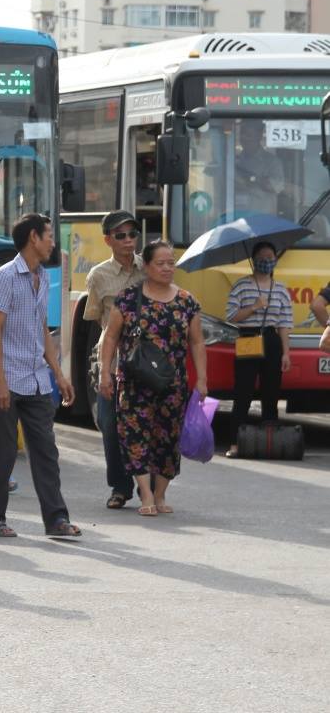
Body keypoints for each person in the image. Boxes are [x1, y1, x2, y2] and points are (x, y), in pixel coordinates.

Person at [0, 213, 79, 539]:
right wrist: (1, 381)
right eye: (49, 235)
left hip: (35, 379)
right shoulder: (6, 277)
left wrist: (59, 374)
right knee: (1, 455)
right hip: (3, 381)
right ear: (33, 238)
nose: (52, 242)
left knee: (46, 452)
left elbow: (41, 331)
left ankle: (56, 520)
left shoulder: (42, 277)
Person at [99, 240, 209, 515]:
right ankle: (145, 494)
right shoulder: (128, 298)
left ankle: (160, 495)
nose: (167, 268)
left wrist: (202, 379)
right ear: (146, 266)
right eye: (160, 263)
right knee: (134, 436)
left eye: (171, 263)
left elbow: (197, 342)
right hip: (135, 382)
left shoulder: (187, 301)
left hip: (173, 385)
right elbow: (110, 336)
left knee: (168, 440)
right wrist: (105, 372)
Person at [82, 211, 144, 508]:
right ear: (107, 240)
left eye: (132, 234)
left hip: (148, 361)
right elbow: (96, 320)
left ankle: (150, 487)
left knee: (146, 424)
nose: (128, 240)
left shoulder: (151, 268)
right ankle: (120, 487)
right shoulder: (98, 276)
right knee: (110, 424)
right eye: (121, 235)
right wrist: (103, 366)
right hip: (112, 358)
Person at [223, 240, 294, 459]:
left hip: (271, 339)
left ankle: (269, 442)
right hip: (248, 337)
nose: (267, 262)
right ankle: (235, 442)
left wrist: (286, 352)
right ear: (254, 261)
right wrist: (254, 306)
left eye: (270, 258)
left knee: (271, 391)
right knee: (243, 391)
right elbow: (231, 316)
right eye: (262, 258)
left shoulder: (280, 288)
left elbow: (284, 323)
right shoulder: (241, 285)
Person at [232, 120, 285, 217]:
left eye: (249, 135)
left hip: (263, 223)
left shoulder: (272, 162)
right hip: (237, 220)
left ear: (259, 136)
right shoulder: (233, 162)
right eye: (242, 134)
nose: (244, 138)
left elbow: (277, 186)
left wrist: (254, 179)